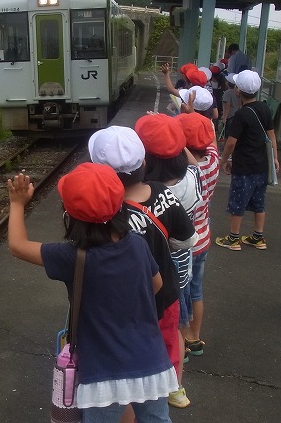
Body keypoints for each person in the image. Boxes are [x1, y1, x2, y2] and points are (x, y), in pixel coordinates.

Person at [7, 162, 178, 421]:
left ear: (69, 214)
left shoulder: (71, 257)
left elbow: (18, 246)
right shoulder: (137, 245)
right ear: (120, 205)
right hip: (150, 363)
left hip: (104, 373)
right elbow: (157, 285)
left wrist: (17, 203)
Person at [87, 126, 196, 419]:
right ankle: (168, 390)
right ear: (144, 162)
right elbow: (187, 240)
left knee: (124, 368)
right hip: (164, 300)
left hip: (122, 312)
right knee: (163, 350)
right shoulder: (162, 192)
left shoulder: (102, 217)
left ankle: (128, 411)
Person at [135, 113, 201, 408]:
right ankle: (174, 386)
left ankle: (145, 383)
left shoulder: (151, 193)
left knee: (151, 328)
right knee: (173, 330)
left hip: (155, 275)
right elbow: (187, 239)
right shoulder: (193, 177)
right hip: (181, 269)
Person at [215, 70, 279, 251]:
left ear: (238, 90)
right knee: (259, 201)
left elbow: (231, 143)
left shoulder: (241, 115)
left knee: (238, 201)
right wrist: (274, 157)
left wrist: (224, 160)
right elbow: (272, 135)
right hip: (262, 166)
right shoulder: (265, 108)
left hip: (244, 166)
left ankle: (233, 238)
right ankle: (258, 237)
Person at [175, 113, 220, 358]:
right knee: (197, 291)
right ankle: (195, 337)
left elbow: (188, 159)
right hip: (203, 236)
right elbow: (209, 140)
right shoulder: (213, 160)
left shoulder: (187, 174)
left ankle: (180, 340)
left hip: (186, 243)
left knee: (182, 292)